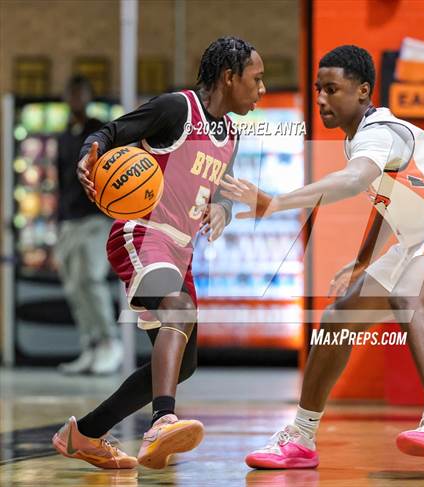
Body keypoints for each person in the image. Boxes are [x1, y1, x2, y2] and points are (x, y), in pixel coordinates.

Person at [220, 45, 424, 469]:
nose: (321, 99)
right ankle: (301, 437)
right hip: (419, 241)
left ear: (363, 90)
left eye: (332, 89)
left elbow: (355, 181)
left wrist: (277, 202)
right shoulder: (359, 139)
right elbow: (386, 201)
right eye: (318, 89)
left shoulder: (379, 133)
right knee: (337, 320)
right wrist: (363, 260)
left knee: (408, 297)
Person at [52, 36, 266, 469]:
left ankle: (84, 435)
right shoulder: (176, 109)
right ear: (230, 77)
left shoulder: (231, 135)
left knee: (183, 365)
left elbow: (224, 189)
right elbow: (110, 132)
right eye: (256, 79)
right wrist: (89, 154)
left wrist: (222, 210)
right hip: (142, 233)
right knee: (179, 310)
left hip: (181, 251)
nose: (261, 89)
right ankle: (162, 422)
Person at [54, 75, 122, 375]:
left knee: (91, 279)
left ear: (89, 97)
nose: (76, 99)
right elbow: (60, 182)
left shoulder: (100, 132)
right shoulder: (64, 135)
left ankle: (110, 342)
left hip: (96, 219)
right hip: (69, 222)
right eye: (72, 93)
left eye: (81, 93)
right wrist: (57, 222)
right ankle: (91, 345)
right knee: (73, 286)